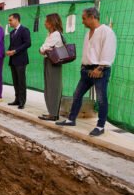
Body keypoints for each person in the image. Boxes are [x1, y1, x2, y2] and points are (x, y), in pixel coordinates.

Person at [56, 7, 117, 137]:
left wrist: (100, 68)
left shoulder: (107, 32)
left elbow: (109, 51)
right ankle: (71, 120)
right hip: (86, 71)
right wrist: (83, 67)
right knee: (77, 95)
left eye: (84, 18)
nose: (82, 21)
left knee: (101, 99)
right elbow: (88, 52)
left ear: (92, 17)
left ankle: (100, 126)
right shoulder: (87, 33)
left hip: (99, 70)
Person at [38, 13, 64, 121]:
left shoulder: (56, 34)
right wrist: (42, 49)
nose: (44, 23)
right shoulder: (51, 34)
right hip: (48, 61)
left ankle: (53, 114)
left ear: (51, 22)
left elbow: (44, 48)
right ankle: (51, 112)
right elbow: (42, 49)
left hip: (53, 63)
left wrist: (43, 49)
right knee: (49, 87)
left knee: (53, 87)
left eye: (46, 21)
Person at [6, 13, 31, 109]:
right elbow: (12, 45)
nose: (9, 22)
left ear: (16, 20)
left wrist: (15, 51)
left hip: (21, 60)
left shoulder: (24, 30)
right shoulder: (12, 33)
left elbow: (28, 43)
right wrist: (9, 51)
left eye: (10, 20)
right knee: (15, 81)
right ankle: (17, 99)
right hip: (13, 60)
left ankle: (22, 101)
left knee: (21, 81)